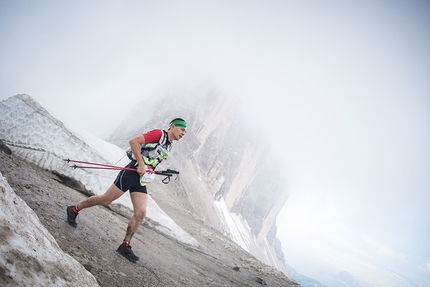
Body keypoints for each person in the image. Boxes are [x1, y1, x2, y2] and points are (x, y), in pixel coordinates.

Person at [66, 118, 187, 263]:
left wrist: (151, 169)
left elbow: (152, 159)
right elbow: (134, 142)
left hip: (141, 179)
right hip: (130, 172)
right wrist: (141, 164)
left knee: (141, 212)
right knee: (106, 200)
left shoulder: (169, 145)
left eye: (185, 131)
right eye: (182, 129)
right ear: (173, 127)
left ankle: (125, 245)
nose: (183, 133)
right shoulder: (158, 135)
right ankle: (74, 209)